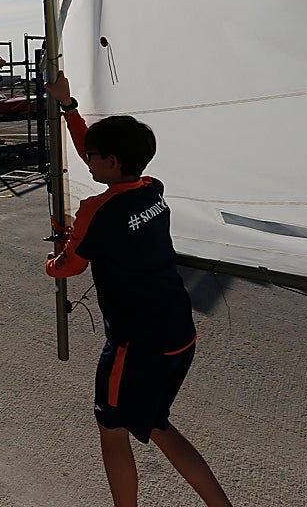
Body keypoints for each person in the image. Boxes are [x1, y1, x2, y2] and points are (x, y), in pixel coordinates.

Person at [44, 71, 232, 507]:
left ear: (112, 162)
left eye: (93, 158)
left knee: (112, 428)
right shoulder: (152, 189)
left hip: (136, 344)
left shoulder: (97, 209)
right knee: (156, 423)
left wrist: (55, 256)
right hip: (178, 334)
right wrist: (69, 109)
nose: (86, 162)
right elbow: (104, 169)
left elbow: (67, 268)